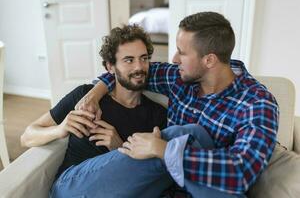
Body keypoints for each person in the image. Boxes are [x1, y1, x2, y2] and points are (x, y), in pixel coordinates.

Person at [75, 12, 280, 197]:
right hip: (158, 182)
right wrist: (95, 92)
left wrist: (164, 150)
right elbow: (131, 72)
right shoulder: (179, 77)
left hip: (200, 189)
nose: (174, 59)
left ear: (209, 60)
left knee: (191, 134)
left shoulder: (257, 104)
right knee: (191, 133)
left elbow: (241, 172)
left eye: (182, 52)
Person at [20, 25, 176, 197]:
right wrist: (61, 129)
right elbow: (27, 136)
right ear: (110, 67)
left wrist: (119, 148)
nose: (139, 67)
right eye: (129, 60)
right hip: (71, 186)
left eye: (144, 58)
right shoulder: (85, 97)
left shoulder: (157, 115)